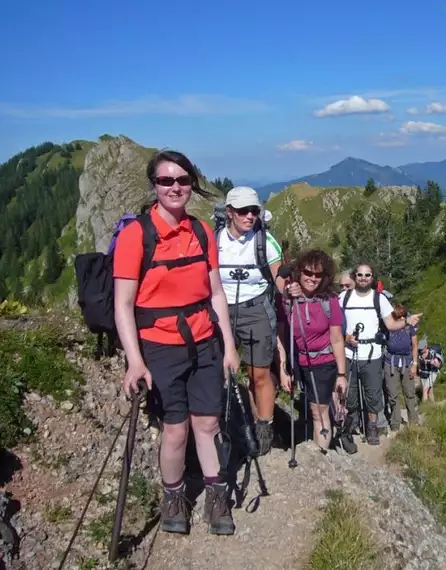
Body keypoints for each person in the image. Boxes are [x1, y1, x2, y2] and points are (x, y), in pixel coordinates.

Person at [113, 150, 238, 536]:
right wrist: (135, 361)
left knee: (208, 421)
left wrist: (229, 347)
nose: (175, 187)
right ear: (154, 185)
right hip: (159, 346)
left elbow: (216, 294)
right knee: (175, 429)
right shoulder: (136, 235)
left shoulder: (201, 232)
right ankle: (174, 496)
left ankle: (216, 497)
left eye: (182, 180)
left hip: (204, 342)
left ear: (191, 184)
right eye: (166, 180)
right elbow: (123, 304)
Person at [216, 186, 285, 456]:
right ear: (230, 212)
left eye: (254, 211)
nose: (249, 216)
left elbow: (279, 277)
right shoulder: (214, 240)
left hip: (255, 308)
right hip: (221, 309)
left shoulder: (265, 241)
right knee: (221, 370)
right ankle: (223, 423)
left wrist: (288, 289)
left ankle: (264, 426)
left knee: (259, 373)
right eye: (243, 211)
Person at [335, 264, 421, 446]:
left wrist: (407, 322)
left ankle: (372, 425)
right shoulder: (343, 298)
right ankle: (352, 423)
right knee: (350, 394)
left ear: (372, 277)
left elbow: (390, 324)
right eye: (360, 275)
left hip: (372, 354)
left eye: (367, 275)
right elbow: (335, 325)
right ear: (354, 276)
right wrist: (346, 337)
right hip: (349, 353)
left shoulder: (379, 299)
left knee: (373, 393)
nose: (363, 278)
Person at [277, 250, 348, 451]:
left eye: (318, 275)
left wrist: (341, 374)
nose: (313, 278)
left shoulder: (330, 301)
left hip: (324, 363)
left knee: (318, 411)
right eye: (308, 273)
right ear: (299, 272)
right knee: (311, 408)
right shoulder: (288, 299)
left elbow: (336, 338)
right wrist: (283, 368)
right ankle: (320, 448)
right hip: (299, 363)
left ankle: (322, 454)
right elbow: (281, 336)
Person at [384, 303, 420, 429]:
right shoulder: (388, 326)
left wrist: (414, 365)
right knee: (392, 394)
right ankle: (395, 422)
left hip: (407, 362)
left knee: (409, 393)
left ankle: (414, 421)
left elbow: (415, 346)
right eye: (397, 317)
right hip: (391, 362)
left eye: (402, 317)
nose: (400, 320)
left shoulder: (410, 326)